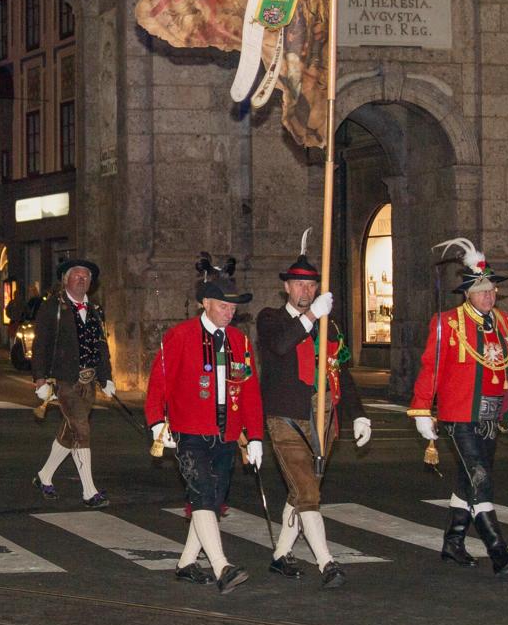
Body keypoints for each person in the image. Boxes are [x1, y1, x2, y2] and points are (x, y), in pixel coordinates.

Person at [408, 238, 508, 575]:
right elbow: (430, 368)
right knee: (479, 478)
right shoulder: (447, 323)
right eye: (481, 290)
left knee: (467, 480)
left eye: (491, 290)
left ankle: (453, 542)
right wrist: (421, 410)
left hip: (491, 415)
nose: (488, 296)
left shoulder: (505, 323)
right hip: (459, 415)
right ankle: (498, 552)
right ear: (467, 294)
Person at [145, 258, 263, 593]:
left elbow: (250, 392)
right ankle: (222, 566)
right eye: (223, 306)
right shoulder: (180, 336)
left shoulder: (240, 341)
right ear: (205, 303)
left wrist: (255, 436)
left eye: (233, 308)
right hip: (189, 432)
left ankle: (186, 564)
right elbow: (159, 382)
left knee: (211, 500)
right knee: (201, 495)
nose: (229, 312)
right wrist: (156, 422)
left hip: (227, 434)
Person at [254, 246, 370, 588]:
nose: (305, 291)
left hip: (324, 417)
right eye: (299, 285)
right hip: (286, 418)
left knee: (303, 488)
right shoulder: (271, 318)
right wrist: (311, 317)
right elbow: (281, 345)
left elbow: (340, 370)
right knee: (307, 489)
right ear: (286, 287)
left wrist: (358, 415)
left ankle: (280, 555)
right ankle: (326, 562)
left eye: (311, 285)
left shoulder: (328, 325)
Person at [30, 257, 113, 507]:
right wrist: (40, 379)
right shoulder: (52, 307)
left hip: (88, 382)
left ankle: (44, 476)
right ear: (66, 279)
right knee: (82, 430)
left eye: (86, 276)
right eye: (77, 275)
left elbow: (101, 346)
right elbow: (40, 344)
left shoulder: (95, 309)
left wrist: (106, 377)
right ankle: (89, 492)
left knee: (70, 433)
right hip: (64, 379)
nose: (82, 279)